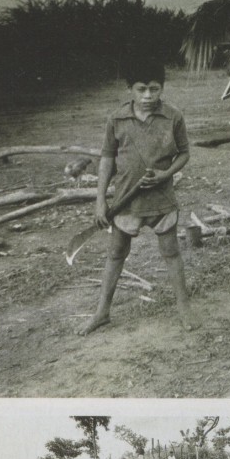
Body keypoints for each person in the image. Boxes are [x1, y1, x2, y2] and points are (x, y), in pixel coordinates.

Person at [81, 57, 192, 335]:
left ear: (162, 88)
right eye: (141, 89)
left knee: (171, 253)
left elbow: (184, 153)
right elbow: (107, 158)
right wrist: (100, 200)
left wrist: (166, 175)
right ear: (130, 88)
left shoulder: (173, 116)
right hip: (125, 201)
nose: (148, 96)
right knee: (116, 253)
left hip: (161, 199)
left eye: (154, 89)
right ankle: (102, 312)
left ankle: (184, 309)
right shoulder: (117, 119)